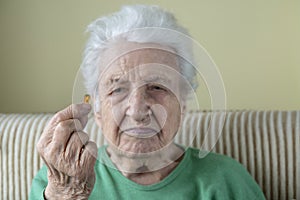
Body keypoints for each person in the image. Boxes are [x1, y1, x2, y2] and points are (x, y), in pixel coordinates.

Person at [30, 5, 265, 200]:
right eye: (118, 89)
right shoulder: (59, 180)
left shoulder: (225, 179)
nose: (138, 110)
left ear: (182, 106)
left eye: (158, 87)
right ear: (98, 110)